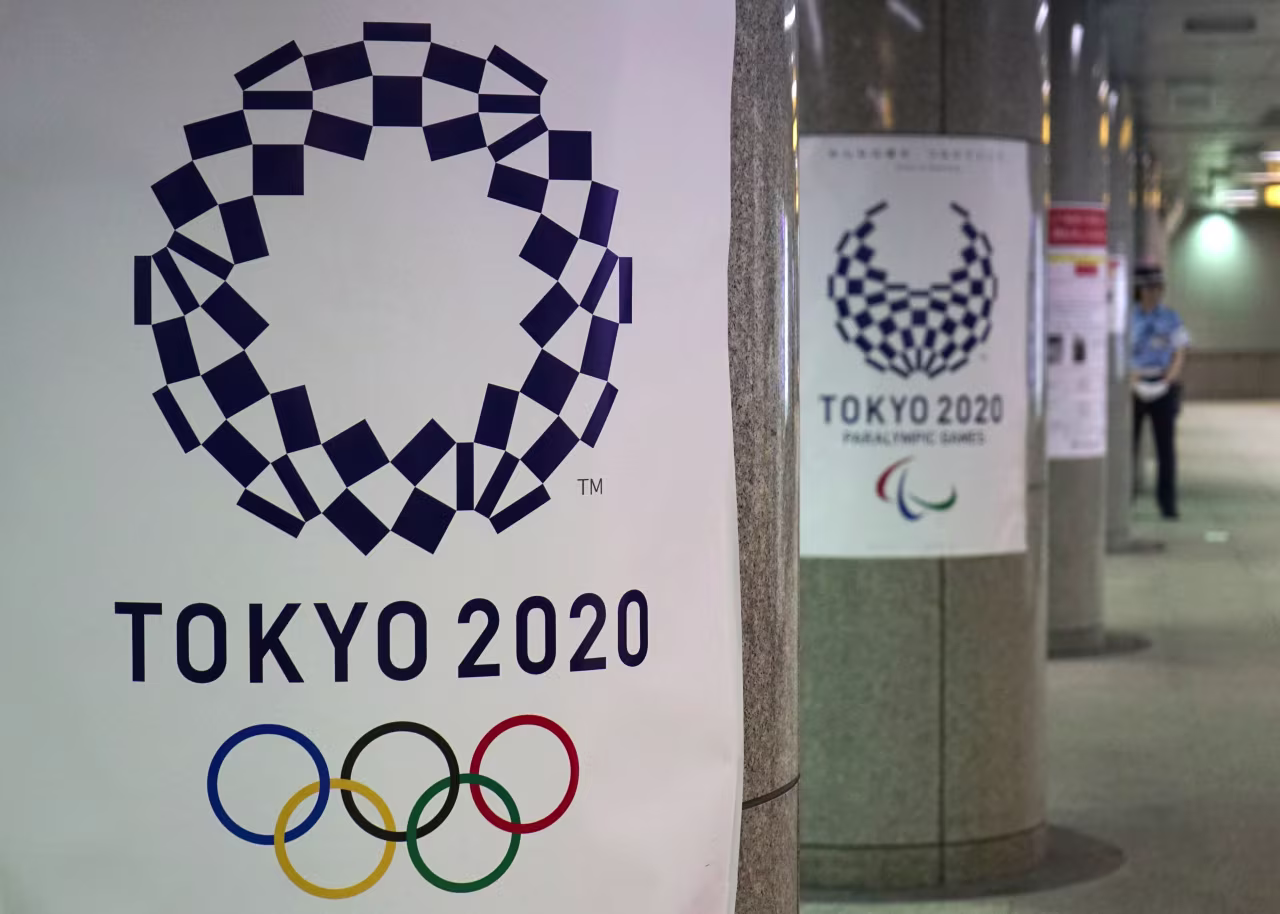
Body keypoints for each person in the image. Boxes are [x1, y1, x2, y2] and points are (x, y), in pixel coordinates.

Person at [1131, 264, 1190, 519]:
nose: (1153, 292)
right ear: (1139, 289)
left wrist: (1170, 377)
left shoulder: (1170, 318)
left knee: (1165, 449)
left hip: (1163, 384)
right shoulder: (1128, 317)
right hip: (1133, 384)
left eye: (1157, 287)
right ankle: (1124, 499)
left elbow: (1180, 350)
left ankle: (1167, 503)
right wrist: (1129, 376)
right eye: (1148, 287)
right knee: (1127, 446)